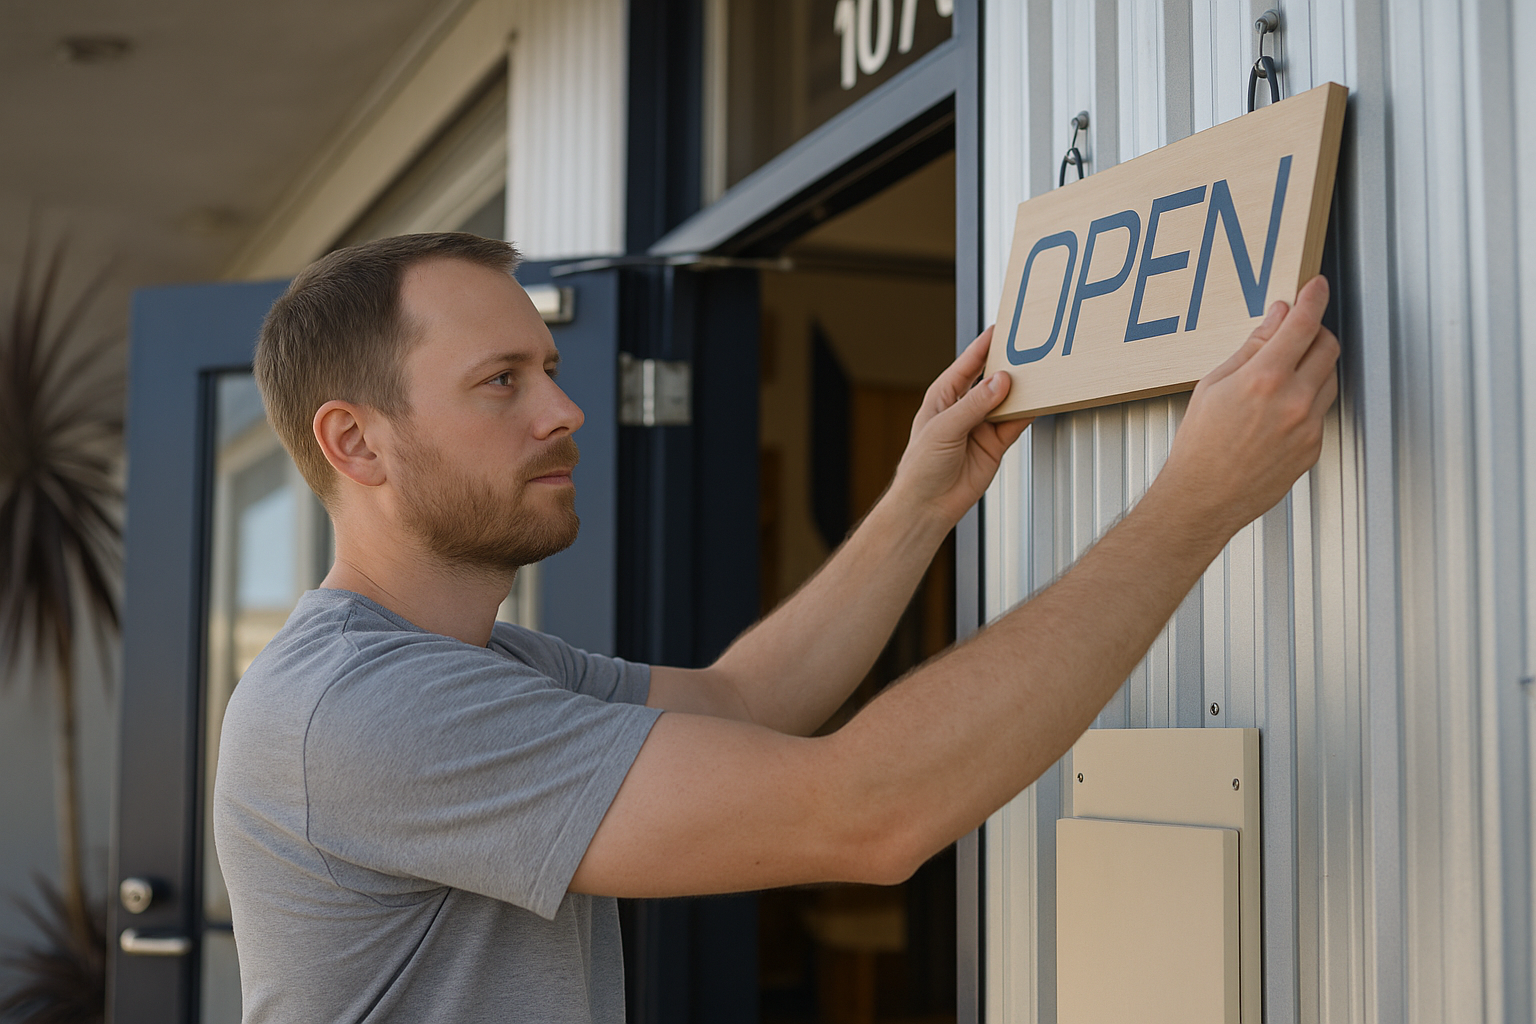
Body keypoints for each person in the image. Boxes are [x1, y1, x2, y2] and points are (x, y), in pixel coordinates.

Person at [215, 231, 1339, 1023]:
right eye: (501, 381)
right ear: (356, 444)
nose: (564, 409)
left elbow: (743, 700)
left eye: (549, 368)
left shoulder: (478, 664)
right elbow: (871, 813)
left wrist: (921, 501)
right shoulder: (364, 711)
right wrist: (1195, 505)